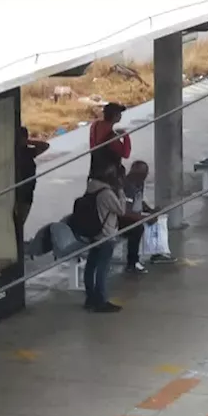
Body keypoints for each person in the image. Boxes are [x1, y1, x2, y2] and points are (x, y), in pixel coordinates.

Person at [82, 163, 126, 312]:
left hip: (93, 232)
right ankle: (101, 301)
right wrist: (120, 192)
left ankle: (90, 298)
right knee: (102, 268)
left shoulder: (91, 187)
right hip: (106, 233)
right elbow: (121, 210)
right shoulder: (106, 193)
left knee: (91, 266)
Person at [14, 126, 49, 248]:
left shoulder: (27, 151)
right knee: (16, 224)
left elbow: (45, 146)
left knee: (20, 222)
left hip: (27, 193)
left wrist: (28, 142)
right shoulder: (14, 153)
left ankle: (18, 245)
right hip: (17, 194)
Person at [89, 103, 131, 178]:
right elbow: (126, 154)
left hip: (95, 170)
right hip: (109, 176)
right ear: (115, 115)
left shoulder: (95, 126)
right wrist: (125, 136)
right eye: (119, 113)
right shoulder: (111, 133)